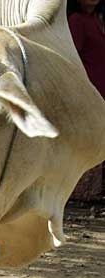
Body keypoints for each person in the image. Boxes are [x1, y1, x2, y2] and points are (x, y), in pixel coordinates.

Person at [67, 0, 105, 200]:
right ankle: (81, 193)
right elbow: (73, 57)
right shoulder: (77, 21)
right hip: (89, 91)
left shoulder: (97, 20)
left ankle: (92, 192)